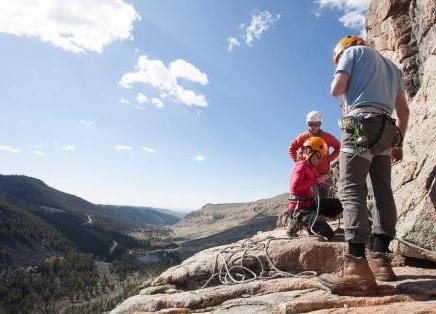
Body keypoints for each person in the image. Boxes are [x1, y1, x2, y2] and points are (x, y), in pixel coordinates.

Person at [319, 35, 410, 295]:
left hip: (360, 127)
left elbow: (336, 90)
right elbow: (403, 111)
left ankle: (356, 267)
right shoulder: (393, 68)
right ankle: (380, 259)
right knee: (382, 191)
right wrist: (399, 143)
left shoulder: (352, 53)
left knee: (351, 189)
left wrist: (341, 74)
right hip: (386, 131)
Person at [287, 136, 343, 240]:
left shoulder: (311, 167)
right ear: (309, 153)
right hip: (300, 209)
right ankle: (297, 223)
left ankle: (312, 221)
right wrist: (317, 181)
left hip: (310, 204)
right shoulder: (301, 166)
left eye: (322, 157)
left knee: (338, 205)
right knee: (327, 235)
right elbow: (295, 187)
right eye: (318, 157)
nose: (321, 160)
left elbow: (319, 178)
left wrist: (325, 178)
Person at [288, 111, 340, 198]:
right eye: (311, 124)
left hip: (323, 174)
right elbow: (291, 148)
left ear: (320, 124)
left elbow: (338, 147)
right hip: (307, 175)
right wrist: (297, 160)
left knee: (323, 201)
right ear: (308, 124)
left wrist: (328, 159)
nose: (314, 127)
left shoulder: (327, 137)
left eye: (316, 124)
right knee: (309, 201)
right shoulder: (303, 136)